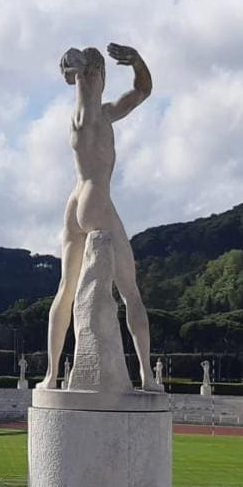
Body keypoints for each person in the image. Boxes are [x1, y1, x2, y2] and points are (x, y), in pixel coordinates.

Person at [39, 43, 155, 390]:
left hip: (75, 202)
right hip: (96, 198)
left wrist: (137, 62)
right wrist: (79, 69)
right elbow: (99, 96)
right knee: (131, 292)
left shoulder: (99, 114)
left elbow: (142, 90)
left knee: (66, 289)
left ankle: (51, 375)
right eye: (101, 74)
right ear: (98, 76)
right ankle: (148, 376)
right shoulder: (89, 113)